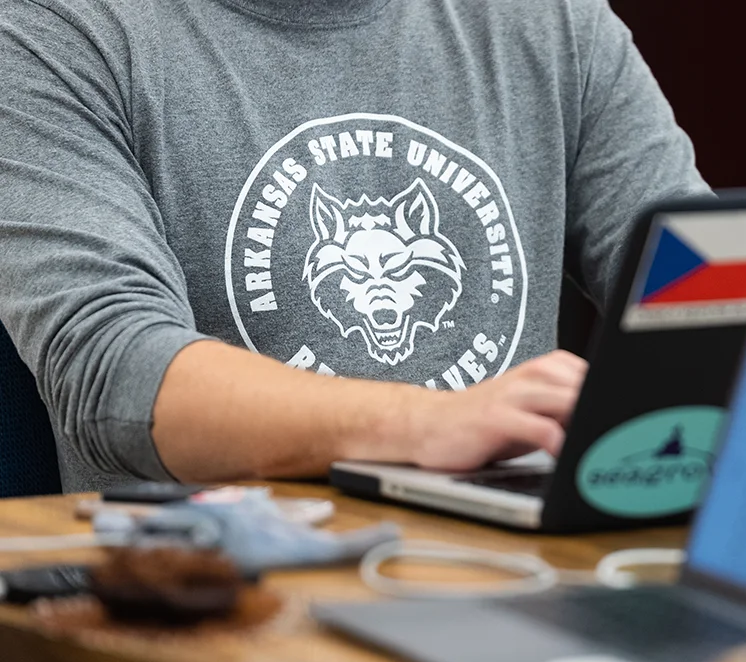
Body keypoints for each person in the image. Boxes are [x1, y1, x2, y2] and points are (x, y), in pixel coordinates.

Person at [0, 0, 709, 493]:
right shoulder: (53, 29)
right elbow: (113, 373)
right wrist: (425, 423)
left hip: (526, 578)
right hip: (226, 611)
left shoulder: (555, 21)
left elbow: (706, 292)